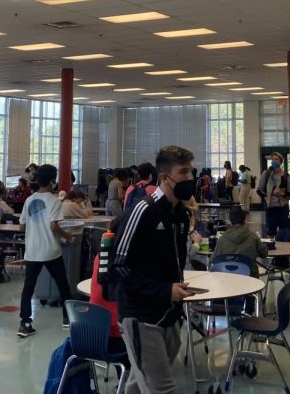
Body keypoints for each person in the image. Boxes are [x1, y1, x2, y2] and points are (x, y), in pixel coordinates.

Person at [111, 145, 195, 394]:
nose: (190, 179)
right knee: (162, 388)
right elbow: (119, 266)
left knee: (140, 383)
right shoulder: (143, 211)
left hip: (169, 314)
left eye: (191, 172)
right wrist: (162, 289)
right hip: (141, 315)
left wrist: (174, 290)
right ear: (164, 178)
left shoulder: (181, 214)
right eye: (184, 173)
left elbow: (174, 262)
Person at [18, 164, 74, 337]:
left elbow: (21, 227)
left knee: (28, 287)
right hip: (50, 251)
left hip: (33, 251)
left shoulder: (29, 200)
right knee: (63, 285)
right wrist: (68, 236)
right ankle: (68, 319)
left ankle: (24, 323)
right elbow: (54, 226)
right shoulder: (54, 201)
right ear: (52, 181)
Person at [213, 206, 269, 276]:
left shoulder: (222, 239)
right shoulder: (253, 237)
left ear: (230, 221)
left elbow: (214, 260)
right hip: (250, 278)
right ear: (244, 220)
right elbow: (264, 254)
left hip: (228, 277)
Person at [262, 153, 290, 236]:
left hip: (283, 208)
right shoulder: (266, 174)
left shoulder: (286, 176)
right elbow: (259, 190)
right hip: (270, 208)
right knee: (270, 232)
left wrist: (281, 193)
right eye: (273, 159)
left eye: (276, 159)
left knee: (285, 232)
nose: (274, 161)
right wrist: (266, 197)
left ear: (281, 162)